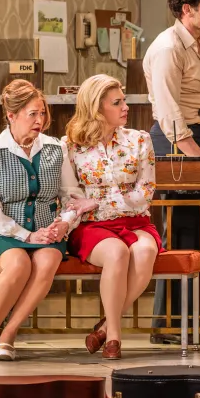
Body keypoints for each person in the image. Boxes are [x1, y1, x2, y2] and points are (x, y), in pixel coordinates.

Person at [0, 80, 81, 361]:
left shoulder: (56, 149)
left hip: (47, 234)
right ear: (11, 116)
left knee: (46, 262)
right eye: (32, 114)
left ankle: (9, 334)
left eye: (42, 113)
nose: (40, 120)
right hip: (1, 232)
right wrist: (25, 235)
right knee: (18, 263)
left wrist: (65, 223)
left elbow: (72, 197)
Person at [142, 0, 200, 344]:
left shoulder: (197, 42)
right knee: (180, 231)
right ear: (187, 10)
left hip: (195, 138)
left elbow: (199, 99)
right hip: (175, 143)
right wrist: (194, 154)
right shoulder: (167, 47)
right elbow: (169, 112)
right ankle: (169, 325)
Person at [62, 74, 161, 360]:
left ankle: (104, 326)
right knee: (117, 253)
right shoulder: (70, 146)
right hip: (92, 226)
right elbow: (72, 199)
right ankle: (115, 335)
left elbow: (146, 191)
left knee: (144, 252)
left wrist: (98, 200)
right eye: (117, 102)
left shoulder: (140, 140)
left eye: (124, 100)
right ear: (96, 108)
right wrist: (100, 204)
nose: (125, 107)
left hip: (136, 221)